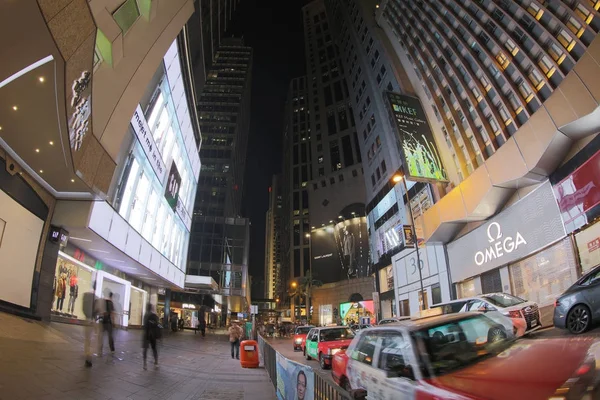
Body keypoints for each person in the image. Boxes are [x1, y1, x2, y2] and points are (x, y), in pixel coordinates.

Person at [142, 303, 160, 370]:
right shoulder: (153, 315)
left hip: (146, 334)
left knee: (145, 349)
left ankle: (145, 364)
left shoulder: (145, 315)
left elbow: (144, 325)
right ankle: (156, 362)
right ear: (151, 308)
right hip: (153, 335)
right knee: (154, 349)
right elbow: (157, 324)